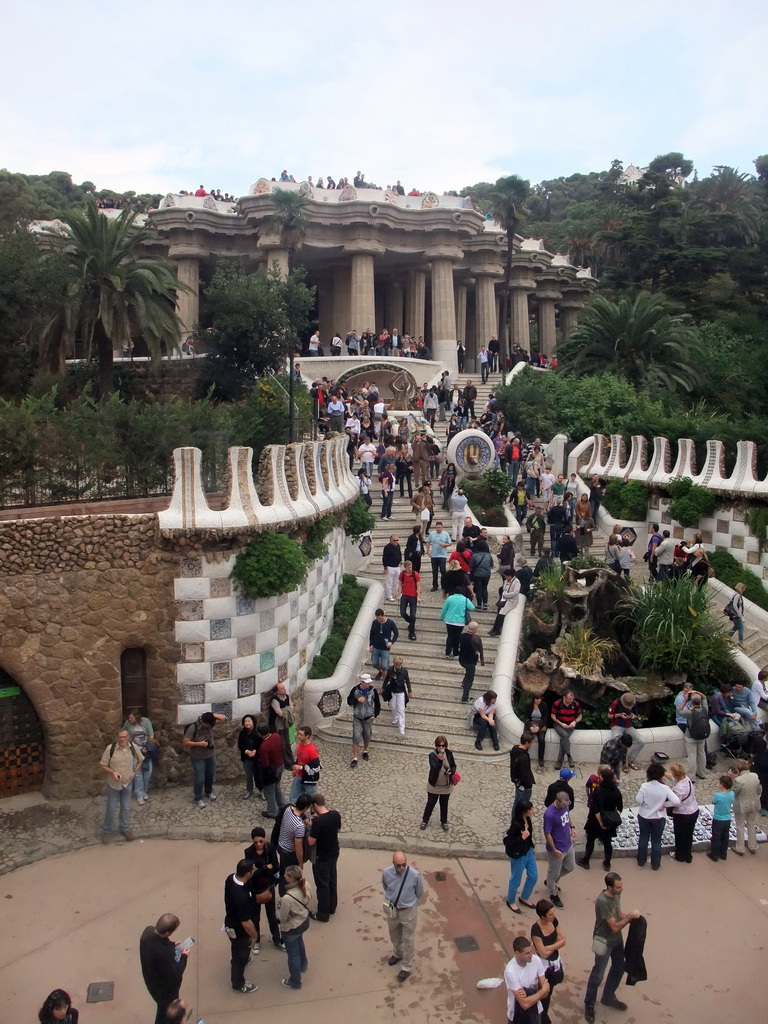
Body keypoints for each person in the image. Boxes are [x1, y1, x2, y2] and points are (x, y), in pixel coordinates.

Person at [583, 872, 640, 1023]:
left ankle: (608, 996)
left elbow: (618, 913)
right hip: (605, 940)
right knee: (598, 974)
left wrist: (630, 917)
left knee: (619, 968)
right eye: (618, 887)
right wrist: (629, 918)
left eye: (622, 886)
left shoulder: (616, 895)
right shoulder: (603, 901)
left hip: (616, 940)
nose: (622, 889)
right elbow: (614, 926)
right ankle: (589, 1003)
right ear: (609, 887)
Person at [381, 851, 425, 982]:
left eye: (403, 865)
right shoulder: (386, 873)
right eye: (398, 865)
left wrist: (408, 903)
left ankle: (406, 966)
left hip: (408, 911)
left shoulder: (415, 875)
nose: (401, 868)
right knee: (394, 933)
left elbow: (420, 892)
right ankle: (398, 953)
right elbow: (385, 887)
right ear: (393, 863)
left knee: (408, 938)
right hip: (392, 908)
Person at [139, 914, 189, 1024]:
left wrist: (171, 945)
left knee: (163, 1010)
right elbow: (176, 972)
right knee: (167, 1012)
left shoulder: (148, 932)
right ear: (167, 933)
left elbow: (159, 943)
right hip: (165, 990)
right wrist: (184, 956)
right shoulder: (163, 954)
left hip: (152, 981)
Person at [99, 728, 143, 842]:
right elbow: (102, 764)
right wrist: (112, 772)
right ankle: (106, 830)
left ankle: (124, 828)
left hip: (127, 783)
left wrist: (134, 772)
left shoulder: (133, 747)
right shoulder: (111, 748)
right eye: (120, 737)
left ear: (128, 737)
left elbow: (141, 760)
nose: (122, 739)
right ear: (117, 738)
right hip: (113, 784)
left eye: (124, 737)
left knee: (125, 807)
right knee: (111, 807)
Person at [243, 827, 282, 949]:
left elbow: (276, 867)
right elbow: (251, 874)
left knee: (272, 916)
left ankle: (277, 939)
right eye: (255, 842)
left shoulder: (270, 848)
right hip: (255, 889)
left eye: (261, 841)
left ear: (265, 839)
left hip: (268, 886)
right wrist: (266, 868)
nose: (258, 844)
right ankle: (257, 940)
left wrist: (260, 869)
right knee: (255, 917)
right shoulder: (249, 852)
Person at [635, 762, 680, 869]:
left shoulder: (644, 786)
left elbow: (638, 800)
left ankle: (641, 860)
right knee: (656, 840)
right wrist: (665, 805)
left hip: (644, 816)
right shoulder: (664, 788)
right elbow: (676, 801)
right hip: (659, 817)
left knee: (643, 838)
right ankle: (655, 864)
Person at [223, 859, 258, 994]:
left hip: (230, 923)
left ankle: (238, 959)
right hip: (240, 931)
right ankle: (238, 983)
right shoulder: (241, 896)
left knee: (236, 948)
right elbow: (246, 923)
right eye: (253, 869)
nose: (255, 870)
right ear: (248, 874)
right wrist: (254, 935)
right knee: (240, 955)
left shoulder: (230, 879)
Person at [578, 766, 623, 871]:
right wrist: (611, 818)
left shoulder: (599, 790)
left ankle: (586, 860)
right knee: (607, 842)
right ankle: (607, 863)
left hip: (595, 820)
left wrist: (601, 822)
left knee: (591, 840)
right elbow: (620, 808)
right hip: (609, 820)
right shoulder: (616, 791)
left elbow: (595, 809)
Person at [277, 864, 313, 989]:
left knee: (293, 954)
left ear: (291, 878)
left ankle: (295, 981)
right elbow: (309, 898)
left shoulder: (287, 898)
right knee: (300, 942)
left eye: (286, 875)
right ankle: (303, 965)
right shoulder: (306, 885)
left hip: (292, 927)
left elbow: (282, 917)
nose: (284, 876)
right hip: (304, 922)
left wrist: (279, 908)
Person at [531, 899, 566, 1024]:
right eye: (550, 914)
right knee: (543, 994)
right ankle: (541, 1017)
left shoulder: (554, 921)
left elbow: (563, 940)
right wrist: (557, 943)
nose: (553, 916)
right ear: (542, 916)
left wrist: (550, 946)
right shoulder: (536, 930)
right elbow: (543, 954)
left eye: (553, 913)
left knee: (550, 991)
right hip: (543, 967)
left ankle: (543, 1015)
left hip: (554, 963)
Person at [307, 792, 341, 920]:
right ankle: (332, 906)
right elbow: (337, 830)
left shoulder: (318, 822)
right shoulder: (335, 814)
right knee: (332, 879)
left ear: (314, 805)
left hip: (321, 857)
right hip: (333, 852)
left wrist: (309, 827)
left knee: (322, 884)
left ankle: (323, 913)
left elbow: (311, 841)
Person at [183, 710, 225, 809]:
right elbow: (185, 742)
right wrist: (199, 744)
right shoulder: (193, 727)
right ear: (204, 723)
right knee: (200, 778)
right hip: (198, 757)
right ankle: (198, 798)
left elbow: (223, 718)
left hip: (210, 755)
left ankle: (208, 792)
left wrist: (211, 715)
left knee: (210, 775)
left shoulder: (210, 723)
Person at [503, 936, 550, 1024]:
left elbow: (546, 993)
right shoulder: (510, 971)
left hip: (536, 1011)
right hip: (517, 1015)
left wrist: (530, 994)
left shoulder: (536, 960)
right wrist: (541, 991)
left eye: (531, 951)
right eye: (527, 953)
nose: (531, 955)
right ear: (517, 953)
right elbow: (524, 1004)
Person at [504, 799, 538, 914]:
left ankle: (524, 897)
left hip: (528, 851)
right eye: (530, 809)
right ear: (524, 811)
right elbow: (508, 842)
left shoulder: (528, 820)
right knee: (516, 879)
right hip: (518, 855)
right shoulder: (516, 825)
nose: (532, 811)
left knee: (533, 876)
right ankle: (511, 900)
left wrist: (532, 847)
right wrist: (521, 838)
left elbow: (530, 837)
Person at [543, 791, 576, 908]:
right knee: (553, 872)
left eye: (567, 804)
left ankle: (551, 882)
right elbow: (547, 833)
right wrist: (554, 849)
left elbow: (567, 817)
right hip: (557, 848)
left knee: (570, 866)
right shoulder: (549, 814)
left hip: (567, 843)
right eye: (563, 805)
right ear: (557, 801)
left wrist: (572, 827)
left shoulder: (565, 806)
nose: (565, 807)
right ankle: (553, 893)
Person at [419, 734, 457, 832]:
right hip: (434, 785)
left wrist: (451, 771)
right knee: (431, 803)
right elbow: (434, 768)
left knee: (444, 804)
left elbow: (453, 766)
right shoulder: (432, 755)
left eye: (443, 746)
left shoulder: (449, 754)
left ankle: (444, 821)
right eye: (439, 746)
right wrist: (440, 761)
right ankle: (425, 820)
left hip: (446, 785)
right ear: (436, 746)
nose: (441, 748)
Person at [665, 762, 699, 863]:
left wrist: (663, 805)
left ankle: (679, 856)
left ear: (676, 774)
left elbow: (675, 802)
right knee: (689, 835)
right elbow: (673, 778)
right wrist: (663, 773)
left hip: (682, 814)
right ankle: (688, 856)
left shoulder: (679, 788)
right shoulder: (686, 779)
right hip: (694, 811)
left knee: (680, 835)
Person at [123, 707, 156, 804]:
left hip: (145, 751)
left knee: (148, 772)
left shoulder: (146, 722)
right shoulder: (127, 724)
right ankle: (139, 795)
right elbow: (124, 733)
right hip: (134, 751)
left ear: (137, 717)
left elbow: (151, 736)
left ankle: (145, 791)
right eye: (129, 718)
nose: (130, 720)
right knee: (137, 773)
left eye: (132, 718)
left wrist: (148, 747)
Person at [347, 673, 381, 766]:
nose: (368, 684)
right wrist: (357, 700)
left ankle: (365, 750)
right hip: (357, 717)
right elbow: (349, 701)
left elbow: (377, 704)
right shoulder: (355, 690)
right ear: (362, 682)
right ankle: (355, 757)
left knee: (367, 735)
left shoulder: (373, 691)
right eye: (367, 683)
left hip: (368, 717)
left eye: (369, 682)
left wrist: (376, 715)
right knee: (356, 736)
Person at [730, 759, 761, 855]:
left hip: (742, 805)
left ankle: (740, 848)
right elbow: (759, 790)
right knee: (751, 824)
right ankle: (752, 846)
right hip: (754, 803)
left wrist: (732, 778)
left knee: (740, 826)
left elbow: (734, 792)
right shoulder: (755, 776)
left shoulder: (738, 780)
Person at [276, 793, 311, 875]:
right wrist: (300, 864)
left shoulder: (288, 808)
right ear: (306, 807)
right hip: (289, 853)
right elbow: (298, 848)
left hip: (281, 845)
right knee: (289, 877)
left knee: (283, 873)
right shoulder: (299, 826)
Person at [678, 691, 711, 779]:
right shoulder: (705, 709)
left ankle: (691, 777)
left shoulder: (690, 712)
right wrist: (696, 692)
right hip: (702, 736)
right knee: (701, 754)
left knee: (692, 756)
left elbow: (679, 711)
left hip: (691, 736)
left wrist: (685, 701)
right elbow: (704, 697)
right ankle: (701, 773)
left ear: (691, 702)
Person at [607, 693, 644, 769]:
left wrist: (633, 716)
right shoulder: (616, 702)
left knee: (641, 741)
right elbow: (609, 715)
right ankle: (617, 762)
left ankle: (631, 760)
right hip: (617, 726)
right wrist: (620, 715)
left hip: (629, 726)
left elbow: (636, 714)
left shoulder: (633, 702)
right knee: (616, 742)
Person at [258, 722, 287, 818]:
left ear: (259, 734)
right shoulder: (276, 736)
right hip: (280, 765)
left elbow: (265, 764)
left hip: (272, 770)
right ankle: (282, 805)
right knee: (277, 787)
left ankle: (272, 812)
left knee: (269, 791)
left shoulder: (264, 747)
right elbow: (282, 747)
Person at [289, 726, 321, 803]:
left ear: (307, 736)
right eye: (298, 733)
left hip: (309, 779)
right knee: (293, 797)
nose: (298, 736)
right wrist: (295, 769)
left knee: (311, 798)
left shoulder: (312, 750)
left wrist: (300, 767)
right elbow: (299, 759)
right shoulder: (300, 745)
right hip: (299, 776)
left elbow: (316, 767)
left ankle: (312, 812)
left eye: (301, 734)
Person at [382, 655, 413, 734]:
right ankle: (395, 717)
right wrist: (383, 687)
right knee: (393, 706)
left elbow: (407, 681)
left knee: (401, 709)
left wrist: (409, 691)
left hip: (401, 691)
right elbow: (386, 679)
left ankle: (402, 727)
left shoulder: (404, 671)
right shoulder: (390, 670)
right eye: (396, 665)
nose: (398, 666)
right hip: (393, 690)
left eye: (399, 665)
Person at [551, 691, 582, 770]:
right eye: (569, 699)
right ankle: (569, 756)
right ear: (564, 697)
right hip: (559, 724)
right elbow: (553, 715)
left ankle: (559, 761)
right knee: (564, 735)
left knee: (563, 740)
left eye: (572, 699)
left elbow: (580, 716)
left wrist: (574, 722)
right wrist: (561, 723)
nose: (571, 700)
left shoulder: (575, 704)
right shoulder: (557, 703)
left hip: (570, 725)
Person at [441, 589, 475, 658]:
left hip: (449, 620)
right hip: (460, 621)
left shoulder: (450, 598)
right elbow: (472, 607)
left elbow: (444, 609)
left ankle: (447, 652)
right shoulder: (465, 599)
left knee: (450, 637)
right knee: (457, 637)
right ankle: (455, 653)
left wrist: (442, 617)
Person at [708, 774, 735, 861]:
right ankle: (723, 854)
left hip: (718, 818)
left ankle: (714, 854)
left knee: (716, 837)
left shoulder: (718, 795)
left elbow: (713, 802)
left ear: (722, 784)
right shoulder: (731, 794)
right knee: (725, 837)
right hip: (727, 818)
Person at [489, 569, 521, 637]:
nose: (505, 577)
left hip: (511, 601)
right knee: (499, 612)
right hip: (505, 599)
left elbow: (515, 592)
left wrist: (506, 595)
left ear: (510, 576)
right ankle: (494, 628)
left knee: (501, 613)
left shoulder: (516, 582)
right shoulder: (506, 581)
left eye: (506, 576)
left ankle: (497, 630)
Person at [510, 732, 536, 818]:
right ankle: (517, 822)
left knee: (517, 803)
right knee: (520, 805)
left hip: (518, 781)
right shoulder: (523, 757)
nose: (533, 744)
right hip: (523, 785)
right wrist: (528, 785)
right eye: (532, 742)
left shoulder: (515, 750)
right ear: (527, 743)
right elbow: (524, 773)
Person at [458, 620, 484, 703]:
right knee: (470, 678)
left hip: (462, 659)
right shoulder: (475, 638)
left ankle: (463, 683)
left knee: (468, 672)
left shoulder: (462, 636)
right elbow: (479, 650)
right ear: (475, 629)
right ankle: (465, 697)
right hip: (470, 661)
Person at [369, 607, 399, 680]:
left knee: (385, 666)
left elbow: (396, 633)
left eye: (380, 618)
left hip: (385, 648)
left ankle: (385, 681)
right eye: (377, 618)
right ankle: (380, 671)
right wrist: (371, 644)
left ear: (383, 616)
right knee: (375, 663)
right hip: (376, 646)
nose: (378, 620)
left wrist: (391, 642)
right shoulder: (375, 622)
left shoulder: (390, 623)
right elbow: (372, 633)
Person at [238, 714, 262, 801]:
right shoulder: (242, 733)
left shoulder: (258, 732)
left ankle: (261, 790)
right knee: (248, 775)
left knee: (259, 775)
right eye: (245, 721)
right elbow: (240, 745)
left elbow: (261, 744)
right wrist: (246, 751)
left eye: (249, 721)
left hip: (257, 758)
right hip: (246, 758)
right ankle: (249, 790)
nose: (247, 723)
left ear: (253, 722)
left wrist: (255, 751)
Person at [524, 693, 550, 767]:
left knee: (541, 739)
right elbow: (526, 716)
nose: (538, 701)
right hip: (531, 722)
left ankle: (541, 758)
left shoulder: (544, 705)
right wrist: (530, 726)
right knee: (526, 737)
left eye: (539, 699)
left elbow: (545, 718)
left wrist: (539, 726)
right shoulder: (529, 704)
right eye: (537, 699)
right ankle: (524, 755)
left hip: (540, 723)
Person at [397, 559, 420, 641]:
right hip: (405, 595)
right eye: (408, 568)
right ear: (405, 568)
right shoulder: (402, 574)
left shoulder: (415, 574)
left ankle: (412, 632)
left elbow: (418, 585)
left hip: (413, 596)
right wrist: (399, 594)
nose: (410, 569)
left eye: (411, 567)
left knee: (413, 614)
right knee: (402, 612)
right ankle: (411, 623)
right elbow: (400, 584)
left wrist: (418, 596)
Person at [469, 538, 494, 611]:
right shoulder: (488, 555)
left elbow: (471, 566)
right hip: (486, 574)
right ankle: (485, 603)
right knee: (484, 588)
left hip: (477, 575)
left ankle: (479, 604)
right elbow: (491, 565)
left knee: (479, 589)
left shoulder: (475, 556)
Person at [427, 520, 452, 591]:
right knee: (434, 571)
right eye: (437, 527)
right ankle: (435, 585)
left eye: (439, 527)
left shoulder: (445, 534)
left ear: (442, 527)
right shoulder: (432, 534)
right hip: (434, 555)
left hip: (442, 555)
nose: (438, 529)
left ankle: (444, 585)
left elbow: (450, 543)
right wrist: (428, 550)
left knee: (443, 570)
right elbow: (428, 542)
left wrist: (445, 544)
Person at [725, 582, 747, 646]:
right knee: (741, 628)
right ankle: (741, 642)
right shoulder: (737, 595)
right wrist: (739, 613)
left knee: (736, 627)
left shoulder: (734, 594)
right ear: (741, 588)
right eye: (744, 589)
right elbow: (735, 605)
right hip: (736, 614)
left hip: (734, 614)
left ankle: (727, 636)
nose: (744, 590)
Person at [382, 534, 402, 601]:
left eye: (397, 540)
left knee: (398, 581)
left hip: (397, 566)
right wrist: (385, 568)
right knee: (389, 582)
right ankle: (389, 595)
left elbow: (399, 553)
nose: (396, 542)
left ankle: (399, 593)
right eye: (394, 540)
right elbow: (384, 558)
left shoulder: (398, 546)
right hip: (390, 566)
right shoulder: (387, 547)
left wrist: (400, 560)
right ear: (391, 540)